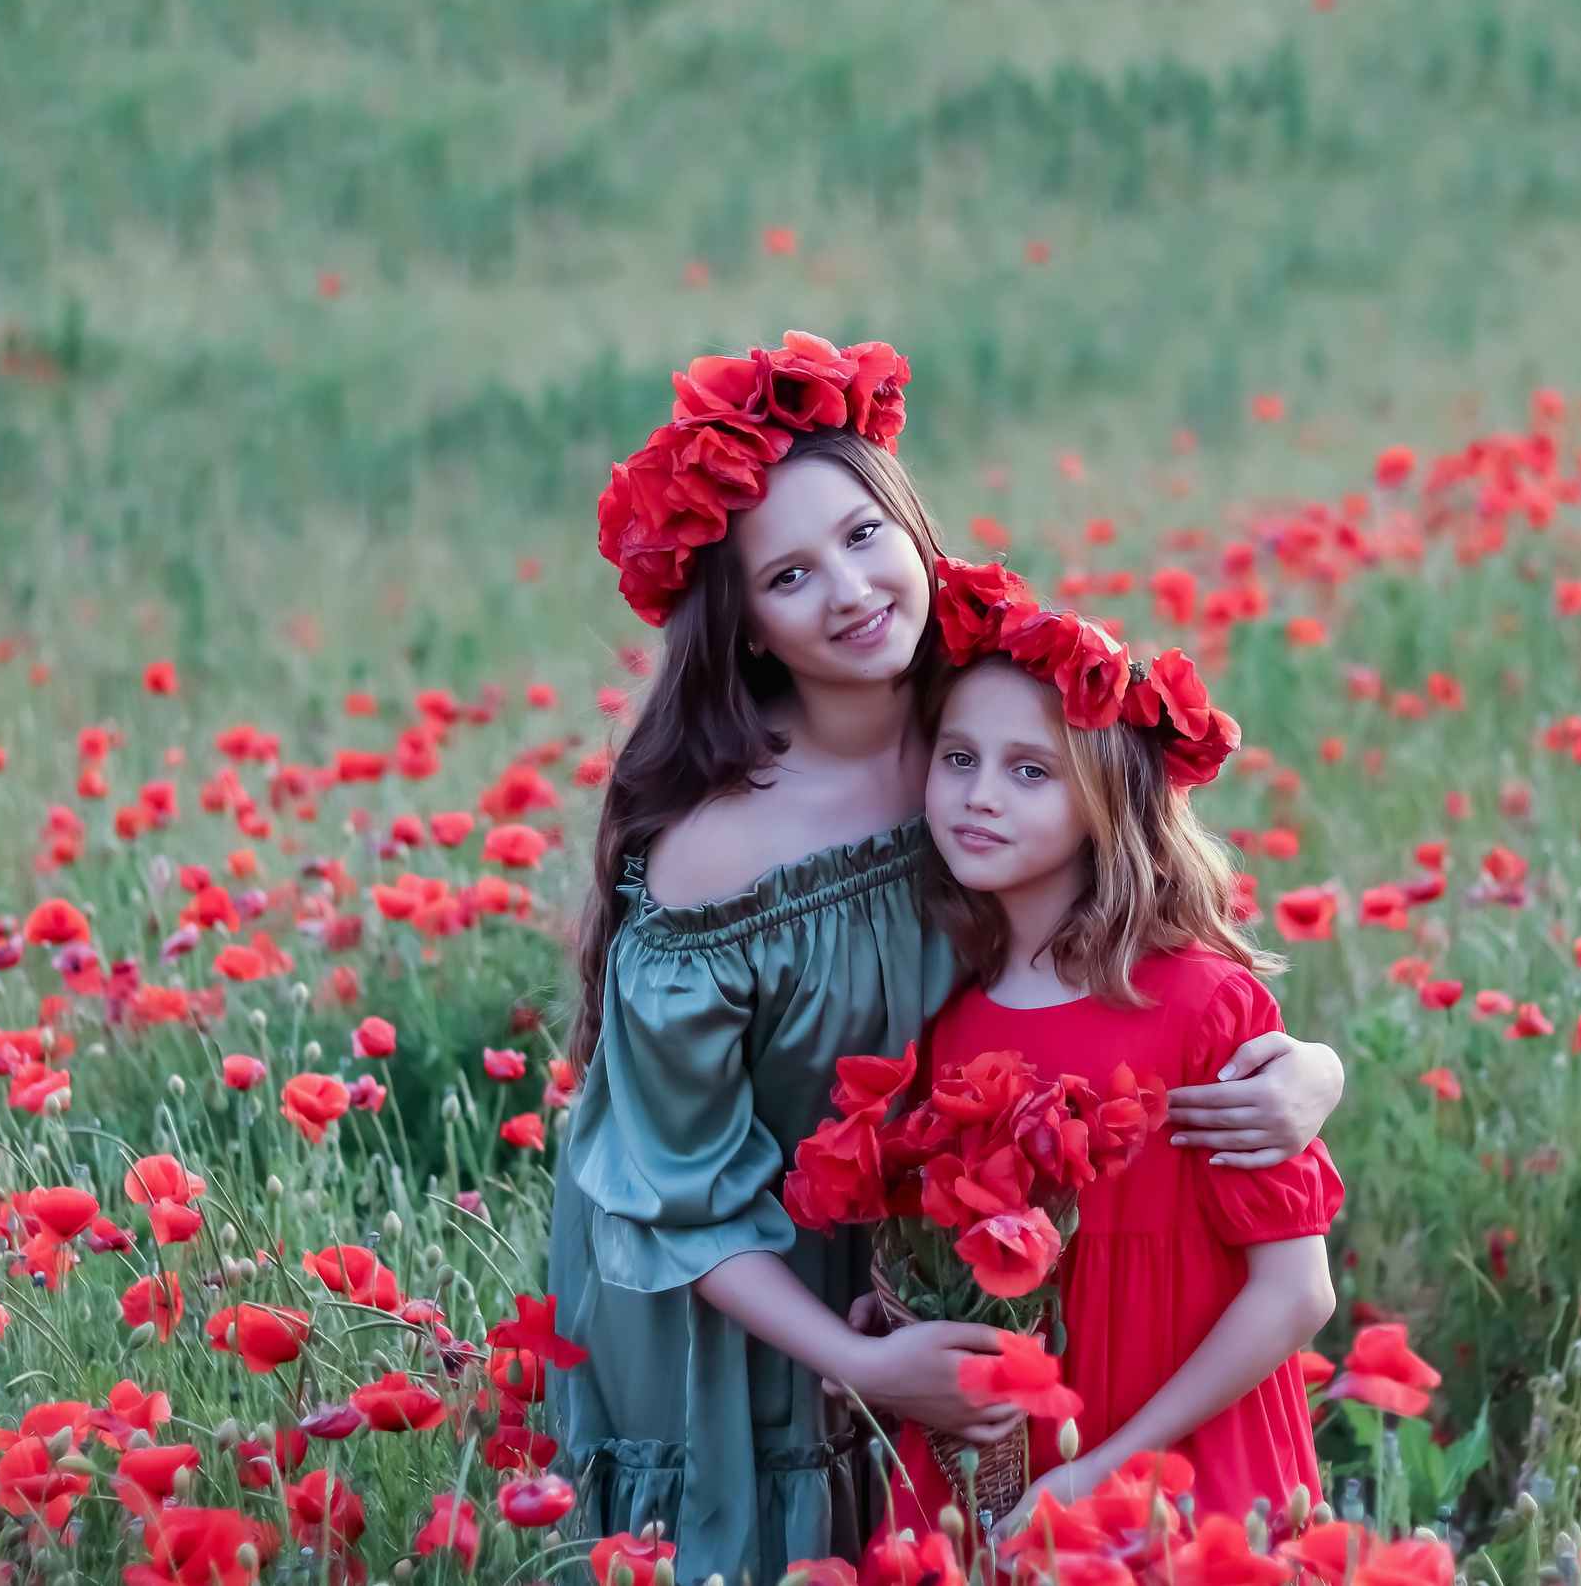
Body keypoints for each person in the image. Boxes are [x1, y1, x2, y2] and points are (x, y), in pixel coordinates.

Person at [550, 332, 1345, 1585]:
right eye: (791, 576)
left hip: (945, 1263)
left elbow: (1141, 922)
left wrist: (1306, 1072)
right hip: (738, 1282)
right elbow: (671, 1193)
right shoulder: (720, 851)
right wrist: (864, 1363)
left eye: (866, 536)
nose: (854, 591)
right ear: (745, 626)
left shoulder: (981, 724)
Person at [878, 559, 1341, 1544]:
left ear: (1107, 802)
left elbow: (1295, 1290)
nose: (979, 797)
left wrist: (1099, 1473)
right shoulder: (941, 1011)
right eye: (956, 758)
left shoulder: (1200, 1005)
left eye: (1030, 770)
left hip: (1173, 1454)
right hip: (995, 1458)